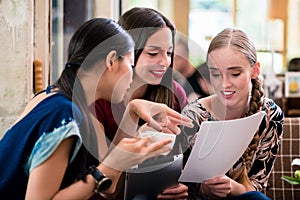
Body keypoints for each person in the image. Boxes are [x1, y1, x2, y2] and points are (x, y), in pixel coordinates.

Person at [0, 18, 193, 199]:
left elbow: (108, 187)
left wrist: (132, 111)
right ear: (111, 61)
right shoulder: (65, 114)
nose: (132, 76)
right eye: (130, 64)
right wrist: (108, 168)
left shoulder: (52, 96)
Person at [90, 7, 190, 200]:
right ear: (127, 52)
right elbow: (105, 184)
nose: (164, 62)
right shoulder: (100, 100)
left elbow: (184, 159)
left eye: (169, 53)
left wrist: (180, 187)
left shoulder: (174, 93)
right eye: (153, 53)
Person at [181, 28, 284, 199]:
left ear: (255, 70)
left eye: (235, 74)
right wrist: (207, 189)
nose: (224, 84)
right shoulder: (193, 115)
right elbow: (183, 186)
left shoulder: (270, 115)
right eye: (215, 74)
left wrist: (232, 187)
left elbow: (256, 187)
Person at [173, 37, 211, 101]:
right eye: (171, 57)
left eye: (177, 58)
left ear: (186, 56)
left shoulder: (201, 77)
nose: (173, 62)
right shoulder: (177, 81)